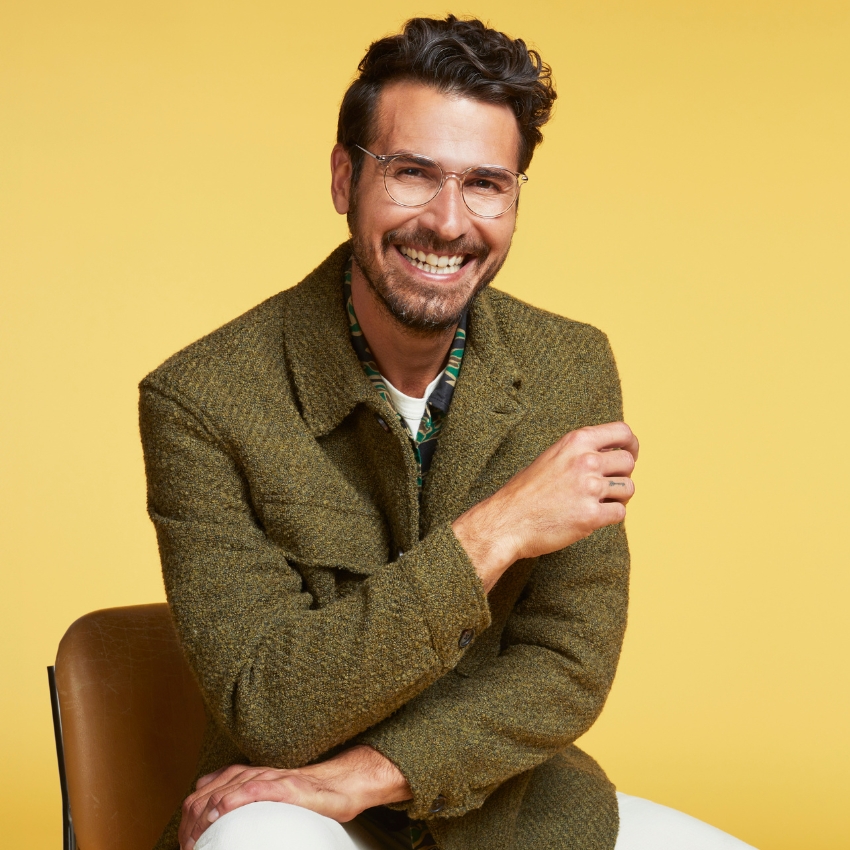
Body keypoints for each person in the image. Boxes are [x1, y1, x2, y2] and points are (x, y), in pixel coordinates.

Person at [139, 15, 755, 850]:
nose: (449, 221)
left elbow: (567, 667)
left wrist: (365, 776)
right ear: (344, 178)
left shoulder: (571, 366)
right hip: (291, 813)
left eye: (485, 184)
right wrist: (498, 529)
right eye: (412, 173)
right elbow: (270, 705)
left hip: (509, 810)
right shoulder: (201, 399)